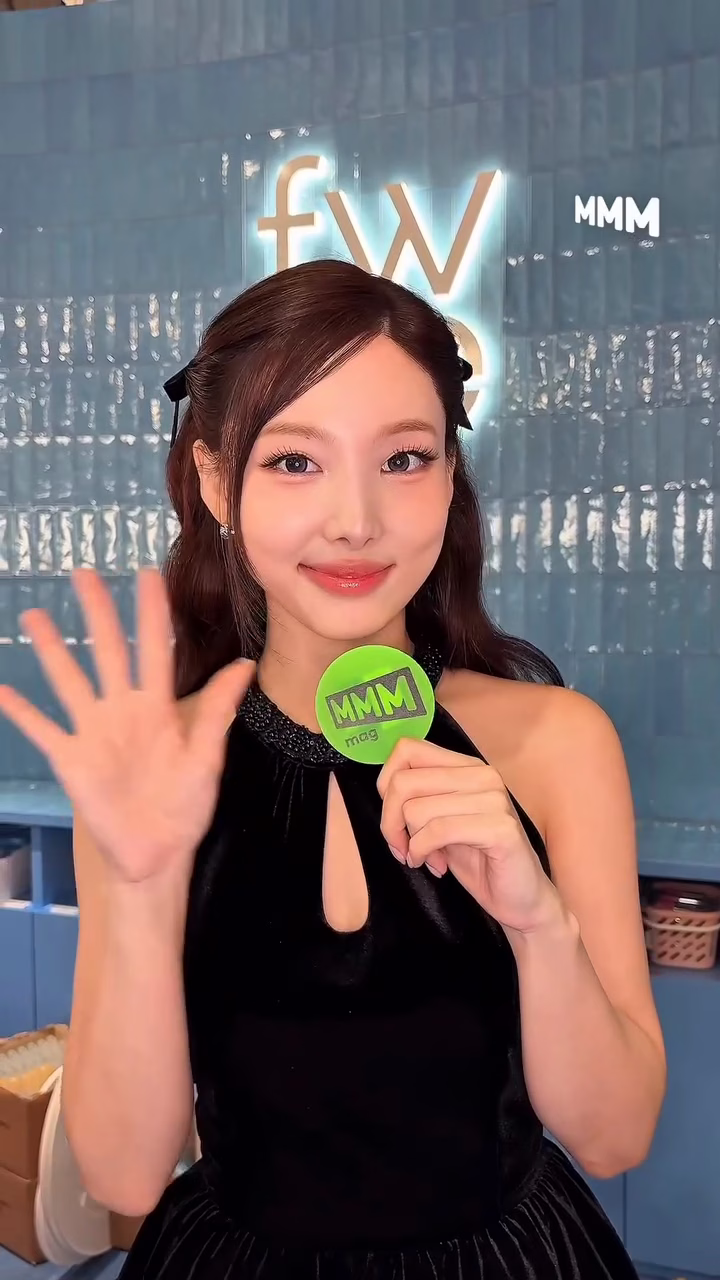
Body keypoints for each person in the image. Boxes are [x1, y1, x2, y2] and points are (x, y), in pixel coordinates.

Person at [0, 260, 665, 1279]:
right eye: (294, 461)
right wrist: (140, 886)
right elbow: (127, 1175)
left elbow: (615, 1137)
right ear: (216, 479)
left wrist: (540, 924)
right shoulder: (155, 774)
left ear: (450, 474)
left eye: (403, 458)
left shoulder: (558, 742)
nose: (356, 519)